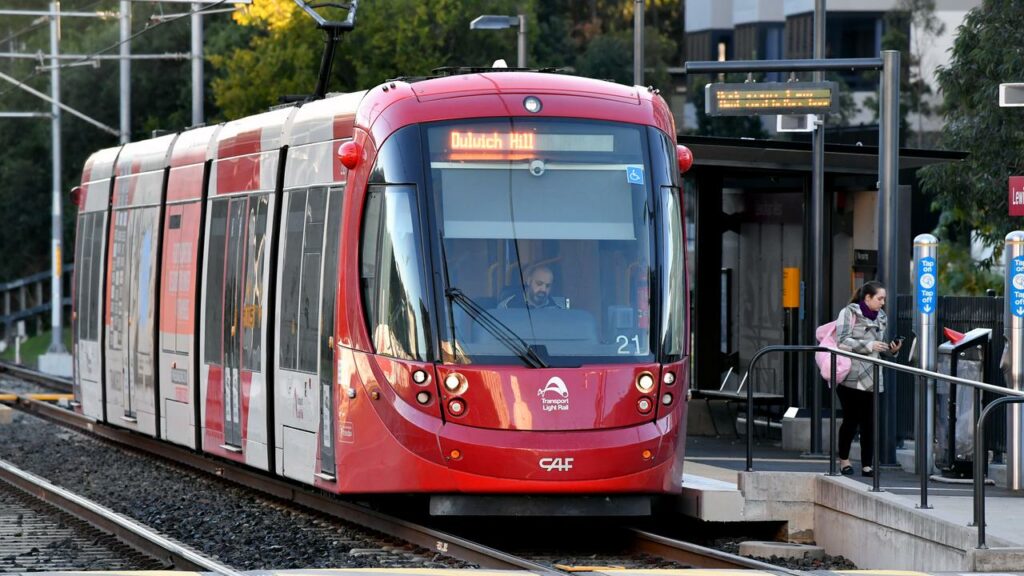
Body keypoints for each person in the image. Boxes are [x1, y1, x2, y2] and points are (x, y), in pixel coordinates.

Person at [835, 280, 902, 477]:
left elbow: (880, 346)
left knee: (870, 422)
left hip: (874, 375)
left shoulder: (882, 316)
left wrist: (892, 350)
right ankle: (844, 461)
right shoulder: (849, 312)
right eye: (879, 298)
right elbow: (842, 341)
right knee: (851, 420)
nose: (883, 302)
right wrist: (869, 346)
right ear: (868, 298)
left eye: (884, 299)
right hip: (851, 375)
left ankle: (867, 464)